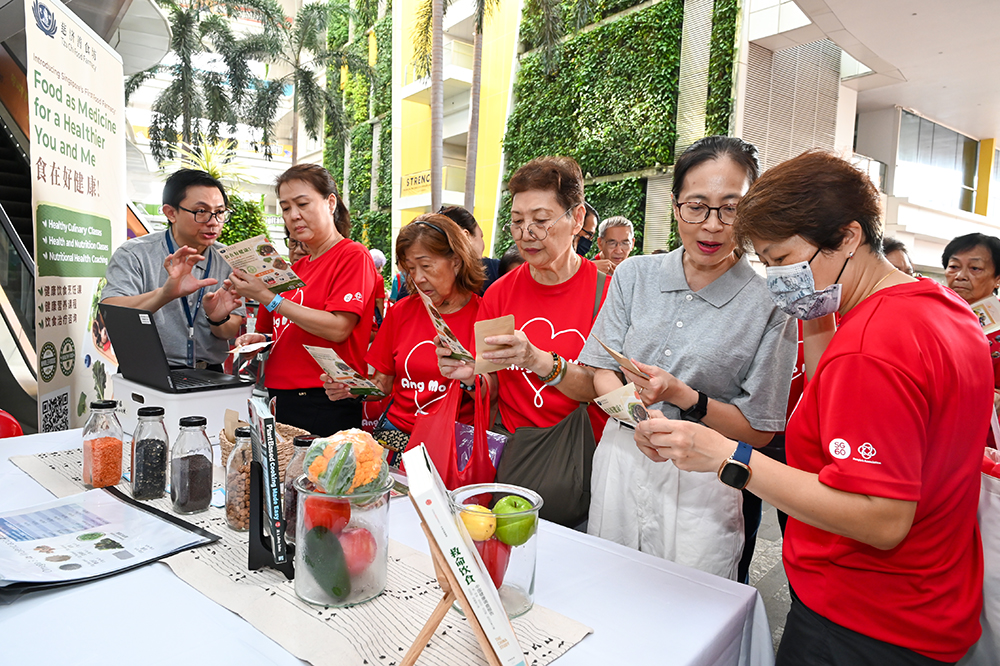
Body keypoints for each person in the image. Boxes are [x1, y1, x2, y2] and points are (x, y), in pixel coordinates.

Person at [640, 150, 990, 664]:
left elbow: (882, 518)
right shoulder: (942, 310)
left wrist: (728, 457)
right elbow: (840, 409)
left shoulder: (872, 347)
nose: (777, 277)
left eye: (781, 260)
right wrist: (813, 308)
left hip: (864, 618)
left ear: (847, 237)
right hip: (932, 595)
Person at [578, 136, 796, 579]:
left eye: (731, 207)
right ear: (675, 204)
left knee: (689, 609)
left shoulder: (770, 304)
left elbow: (758, 429)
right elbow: (600, 368)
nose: (711, 225)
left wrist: (686, 397)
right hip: (623, 456)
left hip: (705, 478)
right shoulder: (635, 275)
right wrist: (639, 420)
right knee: (607, 588)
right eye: (696, 206)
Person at [438, 156, 610, 527]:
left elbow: (602, 390)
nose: (526, 233)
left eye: (541, 220)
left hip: (584, 463)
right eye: (517, 221)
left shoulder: (608, 294)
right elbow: (492, 385)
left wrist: (537, 359)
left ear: (576, 219)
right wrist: (469, 373)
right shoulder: (500, 293)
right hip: (515, 463)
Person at [231, 164, 376, 436]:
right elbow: (281, 329)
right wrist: (258, 341)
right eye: (286, 208)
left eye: (302, 203)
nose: (294, 215)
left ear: (330, 202)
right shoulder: (295, 268)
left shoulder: (353, 255)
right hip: (280, 395)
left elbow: (338, 328)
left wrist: (268, 298)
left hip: (323, 396)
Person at [323, 214, 484, 457]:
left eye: (426, 266)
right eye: (410, 268)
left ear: (457, 261)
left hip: (453, 445)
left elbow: (494, 396)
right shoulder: (402, 312)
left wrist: (469, 376)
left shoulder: (485, 314)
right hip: (396, 438)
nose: (418, 278)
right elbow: (382, 385)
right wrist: (352, 388)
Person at [101, 169, 245, 371]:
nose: (213, 222)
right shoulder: (135, 253)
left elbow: (228, 332)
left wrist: (217, 318)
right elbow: (112, 313)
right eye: (201, 212)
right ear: (171, 213)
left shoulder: (229, 259)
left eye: (220, 212)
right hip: (146, 372)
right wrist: (164, 294)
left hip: (209, 374)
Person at [943, 232, 1000, 392]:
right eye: (954, 267)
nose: (960, 276)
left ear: (998, 278)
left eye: (975, 268)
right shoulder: (932, 313)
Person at [439, 206, 501, 293]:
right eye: (481, 236)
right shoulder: (496, 269)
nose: (483, 244)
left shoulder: (432, 278)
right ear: (466, 236)